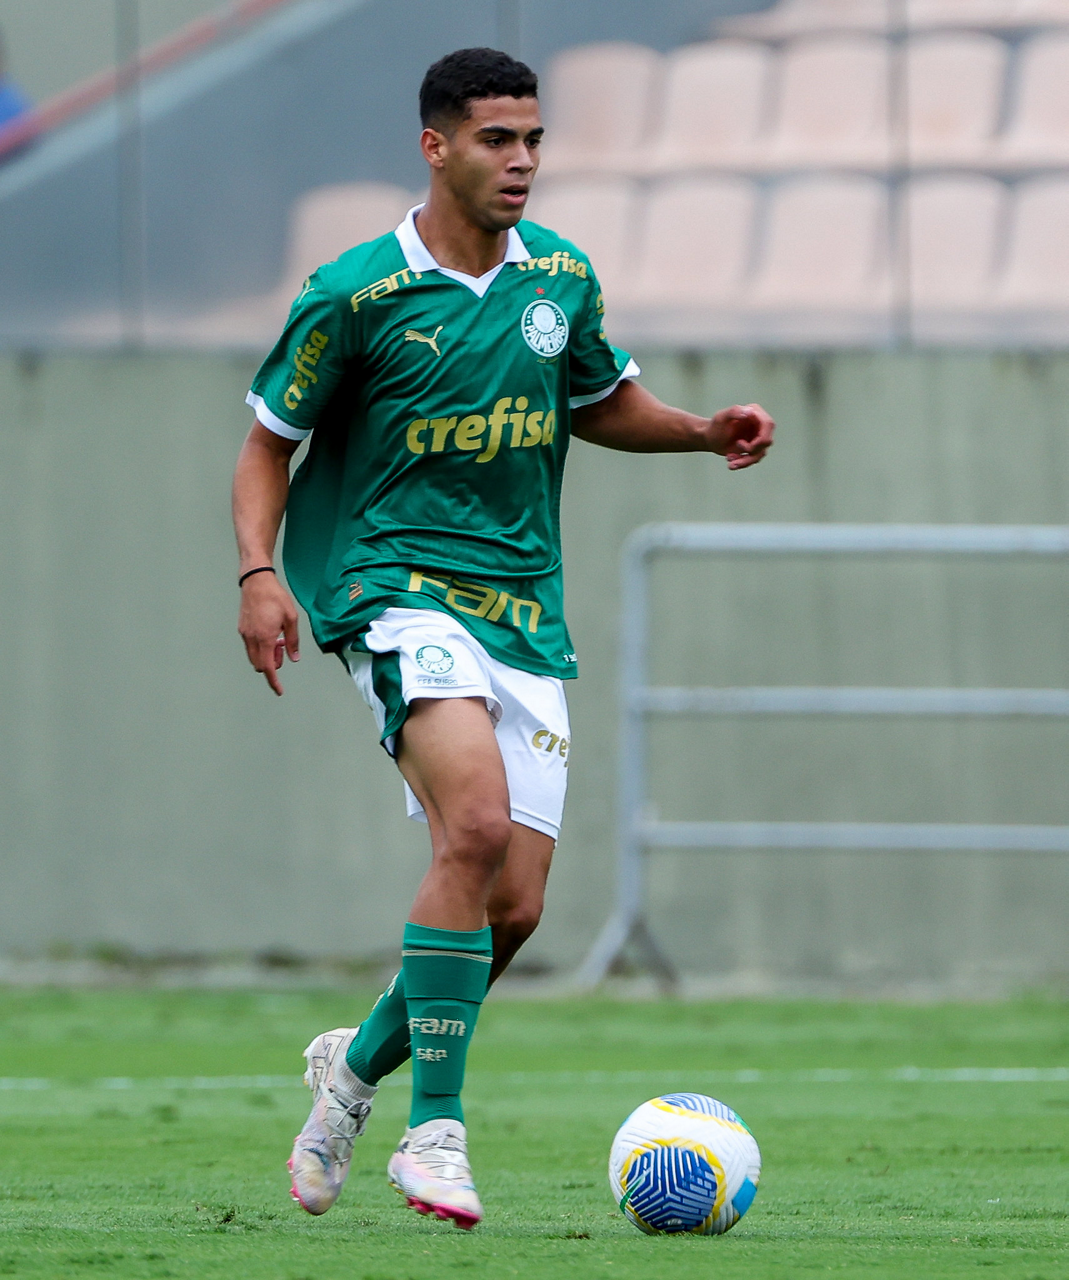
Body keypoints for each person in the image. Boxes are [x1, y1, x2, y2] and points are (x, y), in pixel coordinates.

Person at [231, 47, 774, 1230]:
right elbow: (270, 440)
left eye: (532, 138)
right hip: (392, 587)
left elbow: (598, 398)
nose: (521, 160)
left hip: (523, 607)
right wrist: (260, 572)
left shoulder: (560, 276)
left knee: (513, 909)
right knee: (471, 824)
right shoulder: (356, 293)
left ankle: (351, 1074)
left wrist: (698, 429)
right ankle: (436, 1133)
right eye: (496, 139)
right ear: (436, 148)